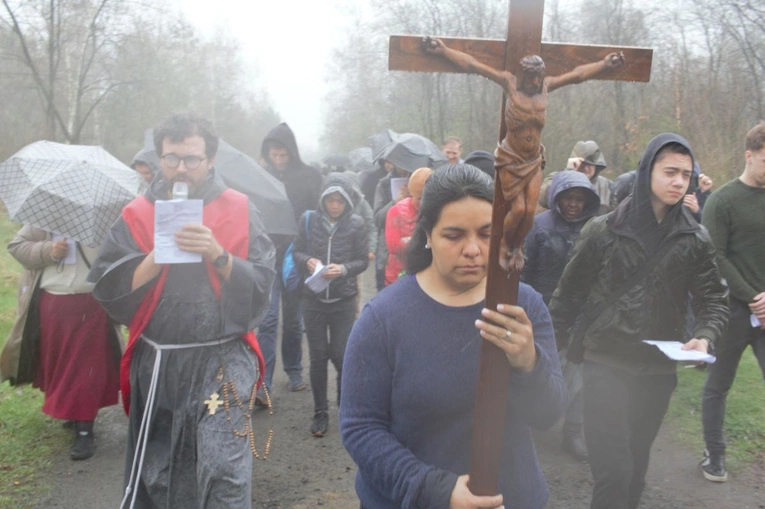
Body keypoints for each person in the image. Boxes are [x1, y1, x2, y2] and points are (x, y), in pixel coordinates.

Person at [340, 164, 566, 509]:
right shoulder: (384, 319)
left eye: (486, 233)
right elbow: (361, 428)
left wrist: (528, 363)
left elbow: (549, 415)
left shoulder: (523, 306)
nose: (473, 249)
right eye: (454, 235)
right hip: (413, 498)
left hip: (512, 496)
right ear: (427, 234)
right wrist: (436, 490)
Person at [88, 113, 276, 508]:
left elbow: (262, 286)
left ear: (210, 160)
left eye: (192, 159)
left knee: (223, 468)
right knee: (163, 475)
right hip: (161, 363)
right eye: (171, 158)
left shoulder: (239, 209)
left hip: (223, 358)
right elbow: (108, 287)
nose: (181, 169)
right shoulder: (137, 213)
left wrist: (217, 253)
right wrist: (155, 258)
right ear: (159, 158)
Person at [548, 133, 728, 509]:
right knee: (613, 475)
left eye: (686, 174)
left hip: (658, 372)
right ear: (648, 172)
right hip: (605, 364)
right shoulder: (603, 231)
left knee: (636, 468)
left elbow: (713, 298)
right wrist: (547, 352)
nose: (679, 181)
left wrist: (705, 336)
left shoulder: (695, 238)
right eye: (670, 172)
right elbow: (567, 298)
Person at [423, 37, 624, 272]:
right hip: (511, 157)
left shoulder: (545, 87)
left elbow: (578, 75)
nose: (535, 82)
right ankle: (503, 245)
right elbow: (472, 65)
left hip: (533, 159)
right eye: (531, 78)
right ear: (522, 75)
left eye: (539, 77)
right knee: (517, 209)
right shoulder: (509, 83)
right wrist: (444, 51)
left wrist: (604, 65)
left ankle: (517, 247)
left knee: (529, 213)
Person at [0, 227, 121, 461]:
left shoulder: (106, 218)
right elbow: (17, 247)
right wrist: (49, 250)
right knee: (61, 365)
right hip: (53, 303)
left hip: (92, 304)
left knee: (87, 369)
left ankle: (85, 429)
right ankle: (73, 411)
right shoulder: (46, 216)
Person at [700, 122, 765, 483]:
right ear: (749, 155)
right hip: (733, 310)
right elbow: (715, 256)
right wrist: (753, 298)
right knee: (718, 385)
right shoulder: (723, 200)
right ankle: (715, 455)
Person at [522, 171, 599, 462]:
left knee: (578, 373)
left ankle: (573, 432)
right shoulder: (538, 226)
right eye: (568, 198)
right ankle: (526, 424)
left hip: (579, 313)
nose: (574, 205)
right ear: (556, 197)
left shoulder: (594, 228)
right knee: (534, 368)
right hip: (541, 309)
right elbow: (524, 270)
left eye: (580, 200)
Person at [292, 173, 369, 437]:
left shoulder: (357, 224)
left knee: (340, 354)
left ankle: (345, 407)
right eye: (330, 200)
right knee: (317, 357)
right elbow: (296, 251)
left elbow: (362, 260)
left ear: (348, 202)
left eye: (340, 201)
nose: (335, 206)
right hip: (312, 299)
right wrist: (308, 262)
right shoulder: (308, 220)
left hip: (342, 300)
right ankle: (320, 413)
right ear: (323, 200)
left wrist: (344, 269)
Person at [258, 122, 323, 393]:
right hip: (267, 254)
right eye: (274, 154)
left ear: (292, 152)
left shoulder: (309, 175)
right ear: (267, 153)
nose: (279, 159)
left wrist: (313, 253)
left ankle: (294, 369)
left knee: (294, 319)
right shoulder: (258, 176)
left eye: (283, 154)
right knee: (268, 318)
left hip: (296, 255)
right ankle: (263, 381)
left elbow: (316, 214)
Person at [384, 167, 432, 285]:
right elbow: (393, 245)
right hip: (398, 275)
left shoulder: (436, 211)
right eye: (419, 198)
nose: (422, 203)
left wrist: (408, 240)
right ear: (411, 194)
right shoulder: (397, 211)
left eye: (427, 198)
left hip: (428, 275)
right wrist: (424, 242)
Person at [539, 140, 613, 216]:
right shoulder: (555, 178)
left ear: (597, 166)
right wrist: (568, 173)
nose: (586, 168)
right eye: (582, 164)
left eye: (590, 165)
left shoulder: (607, 186)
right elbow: (543, 199)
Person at [373, 163, 415, 291]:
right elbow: (378, 219)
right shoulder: (384, 184)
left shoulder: (420, 182)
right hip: (387, 257)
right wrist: (394, 202)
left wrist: (414, 199)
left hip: (414, 256)